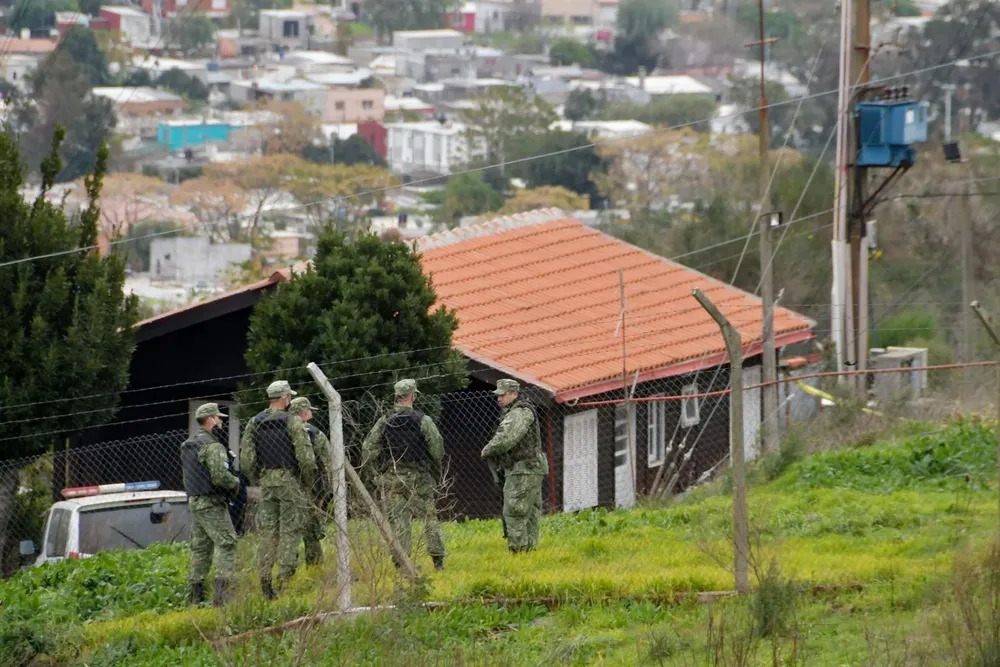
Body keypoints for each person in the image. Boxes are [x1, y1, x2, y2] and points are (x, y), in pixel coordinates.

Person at [241, 380, 316, 599]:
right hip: (289, 480)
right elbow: (306, 458)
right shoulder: (292, 421)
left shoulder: (254, 422)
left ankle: (265, 579)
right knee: (290, 531)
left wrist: (258, 476)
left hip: (266, 482)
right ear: (285, 398)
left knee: (268, 532)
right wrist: (305, 480)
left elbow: (246, 459)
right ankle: (285, 580)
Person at [361, 379, 446, 570]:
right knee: (429, 518)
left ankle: (401, 563)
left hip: (393, 477)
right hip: (419, 477)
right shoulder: (423, 420)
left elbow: (368, 448)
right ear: (413, 396)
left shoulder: (384, 421)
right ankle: (438, 561)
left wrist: (374, 473)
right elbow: (437, 449)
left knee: (399, 522)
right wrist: (434, 465)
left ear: (396, 396)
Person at [180, 403, 241, 607]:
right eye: (219, 418)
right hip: (212, 502)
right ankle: (222, 595)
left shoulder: (188, 444)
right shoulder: (213, 446)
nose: (221, 422)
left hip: (194, 501)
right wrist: (235, 482)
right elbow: (220, 476)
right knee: (227, 543)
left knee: (201, 548)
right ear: (210, 419)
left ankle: (195, 597)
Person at [481, 379, 548, 553]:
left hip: (523, 469)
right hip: (530, 467)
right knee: (530, 512)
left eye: (503, 395)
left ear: (514, 394)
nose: (499, 399)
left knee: (515, 511)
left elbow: (506, 439)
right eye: (498, 395)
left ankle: (518, 552)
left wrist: (487, 450)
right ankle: (530, 551)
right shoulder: (519, 411)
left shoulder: (518, 413)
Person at [289, 396, 333, 566]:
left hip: (288, 483)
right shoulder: (315, 433)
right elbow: (328, 460)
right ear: (303, 411)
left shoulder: (285, 430)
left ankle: (289, 565)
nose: (311, 415)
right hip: (312, 485)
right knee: (311, 527)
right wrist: (326, 488)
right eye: (309, 410)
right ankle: (314, 564)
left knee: (289, 528)